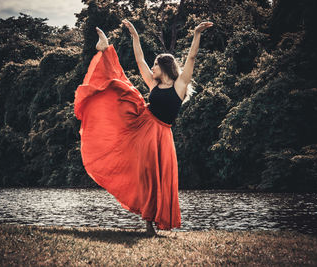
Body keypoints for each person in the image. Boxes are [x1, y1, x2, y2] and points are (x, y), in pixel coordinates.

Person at [74, 19, 213, 236]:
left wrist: (196, 34)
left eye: (156, 65)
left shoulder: (179, 85)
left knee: (161, 177)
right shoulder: (153, 84)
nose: (153, 67)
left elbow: (192, 58)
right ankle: (105, 48)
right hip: (142, 128)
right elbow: (140, 60)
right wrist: (135, 36)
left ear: (165, 66)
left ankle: (157, 221)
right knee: (120, 87)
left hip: (163, 134)